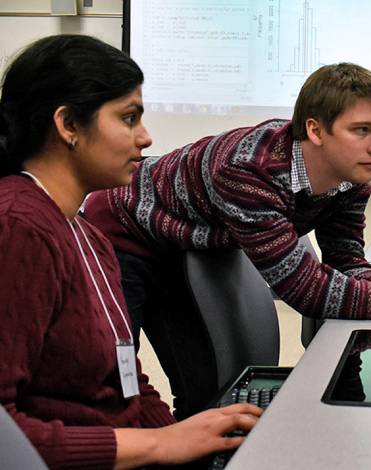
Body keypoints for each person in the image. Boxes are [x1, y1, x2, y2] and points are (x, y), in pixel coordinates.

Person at [84, 62, 371, 418]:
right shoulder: (248, 170)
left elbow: (346, 266)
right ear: (315, 130)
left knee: (206, 392)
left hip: (189, 242)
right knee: (114, 383)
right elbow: (309, 291)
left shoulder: (350, 178)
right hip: (125, 229)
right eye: (361, 130)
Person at [0, 34, 262, 469]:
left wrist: (184, 444)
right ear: (68, 126)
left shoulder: (89, 235)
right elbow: (5, 436)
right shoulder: (18, 228)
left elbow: (126, 383)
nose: (145, 137)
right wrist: (161, 446)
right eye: (128, 118)